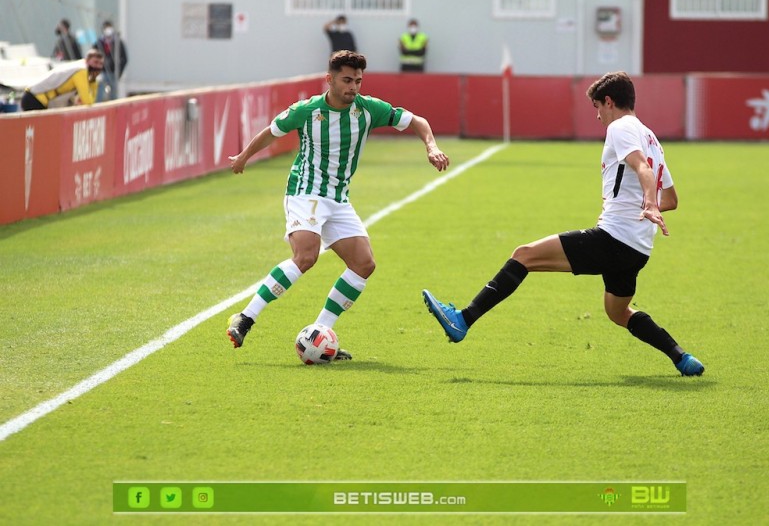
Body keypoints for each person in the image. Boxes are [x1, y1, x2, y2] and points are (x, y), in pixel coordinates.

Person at [422, 71, 705, 377]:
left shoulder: (621, 128)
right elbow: (673, 198)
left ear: (609, 102)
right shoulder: (652, 139)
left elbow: (642, 169)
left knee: (524, 255)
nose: (598, 116)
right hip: (638, 248)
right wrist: (648, 206)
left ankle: (462, 320)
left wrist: (649, 204)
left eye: (597, 107)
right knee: (617, 311)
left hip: (615, 237)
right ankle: (681, 357)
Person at [226, 50, 450, 359]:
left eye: (358, 81)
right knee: (306, 256)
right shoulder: (306, 111)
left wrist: (432, 146)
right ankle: (246, 317)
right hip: (305, 192)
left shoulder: (368, 109)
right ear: (329, 79)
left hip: (339, 199)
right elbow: (271, 132)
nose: (353, 87)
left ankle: (318, 334)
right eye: (346, 80)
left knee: (363, 264)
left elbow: (417, 120)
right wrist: (243, 157)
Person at [21, 48, 104, 111]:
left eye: (100, 64)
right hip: (35, 99)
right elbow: (87, 102)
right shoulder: (81, 70)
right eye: (95, 62)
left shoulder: (79, 67)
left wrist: (93, 81)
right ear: (87, 61)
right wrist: (92, 82)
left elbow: (91, 101)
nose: (98, 67)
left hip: (38, 100)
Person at [93, 20, 128, 102]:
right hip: (101, 72)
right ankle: (98, 106)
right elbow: (92, 56)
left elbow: (124, 58)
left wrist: (119, 72)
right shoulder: (99, 43)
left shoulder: (118, 42)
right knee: (99, 90)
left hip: (113, 73)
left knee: (113, 94)